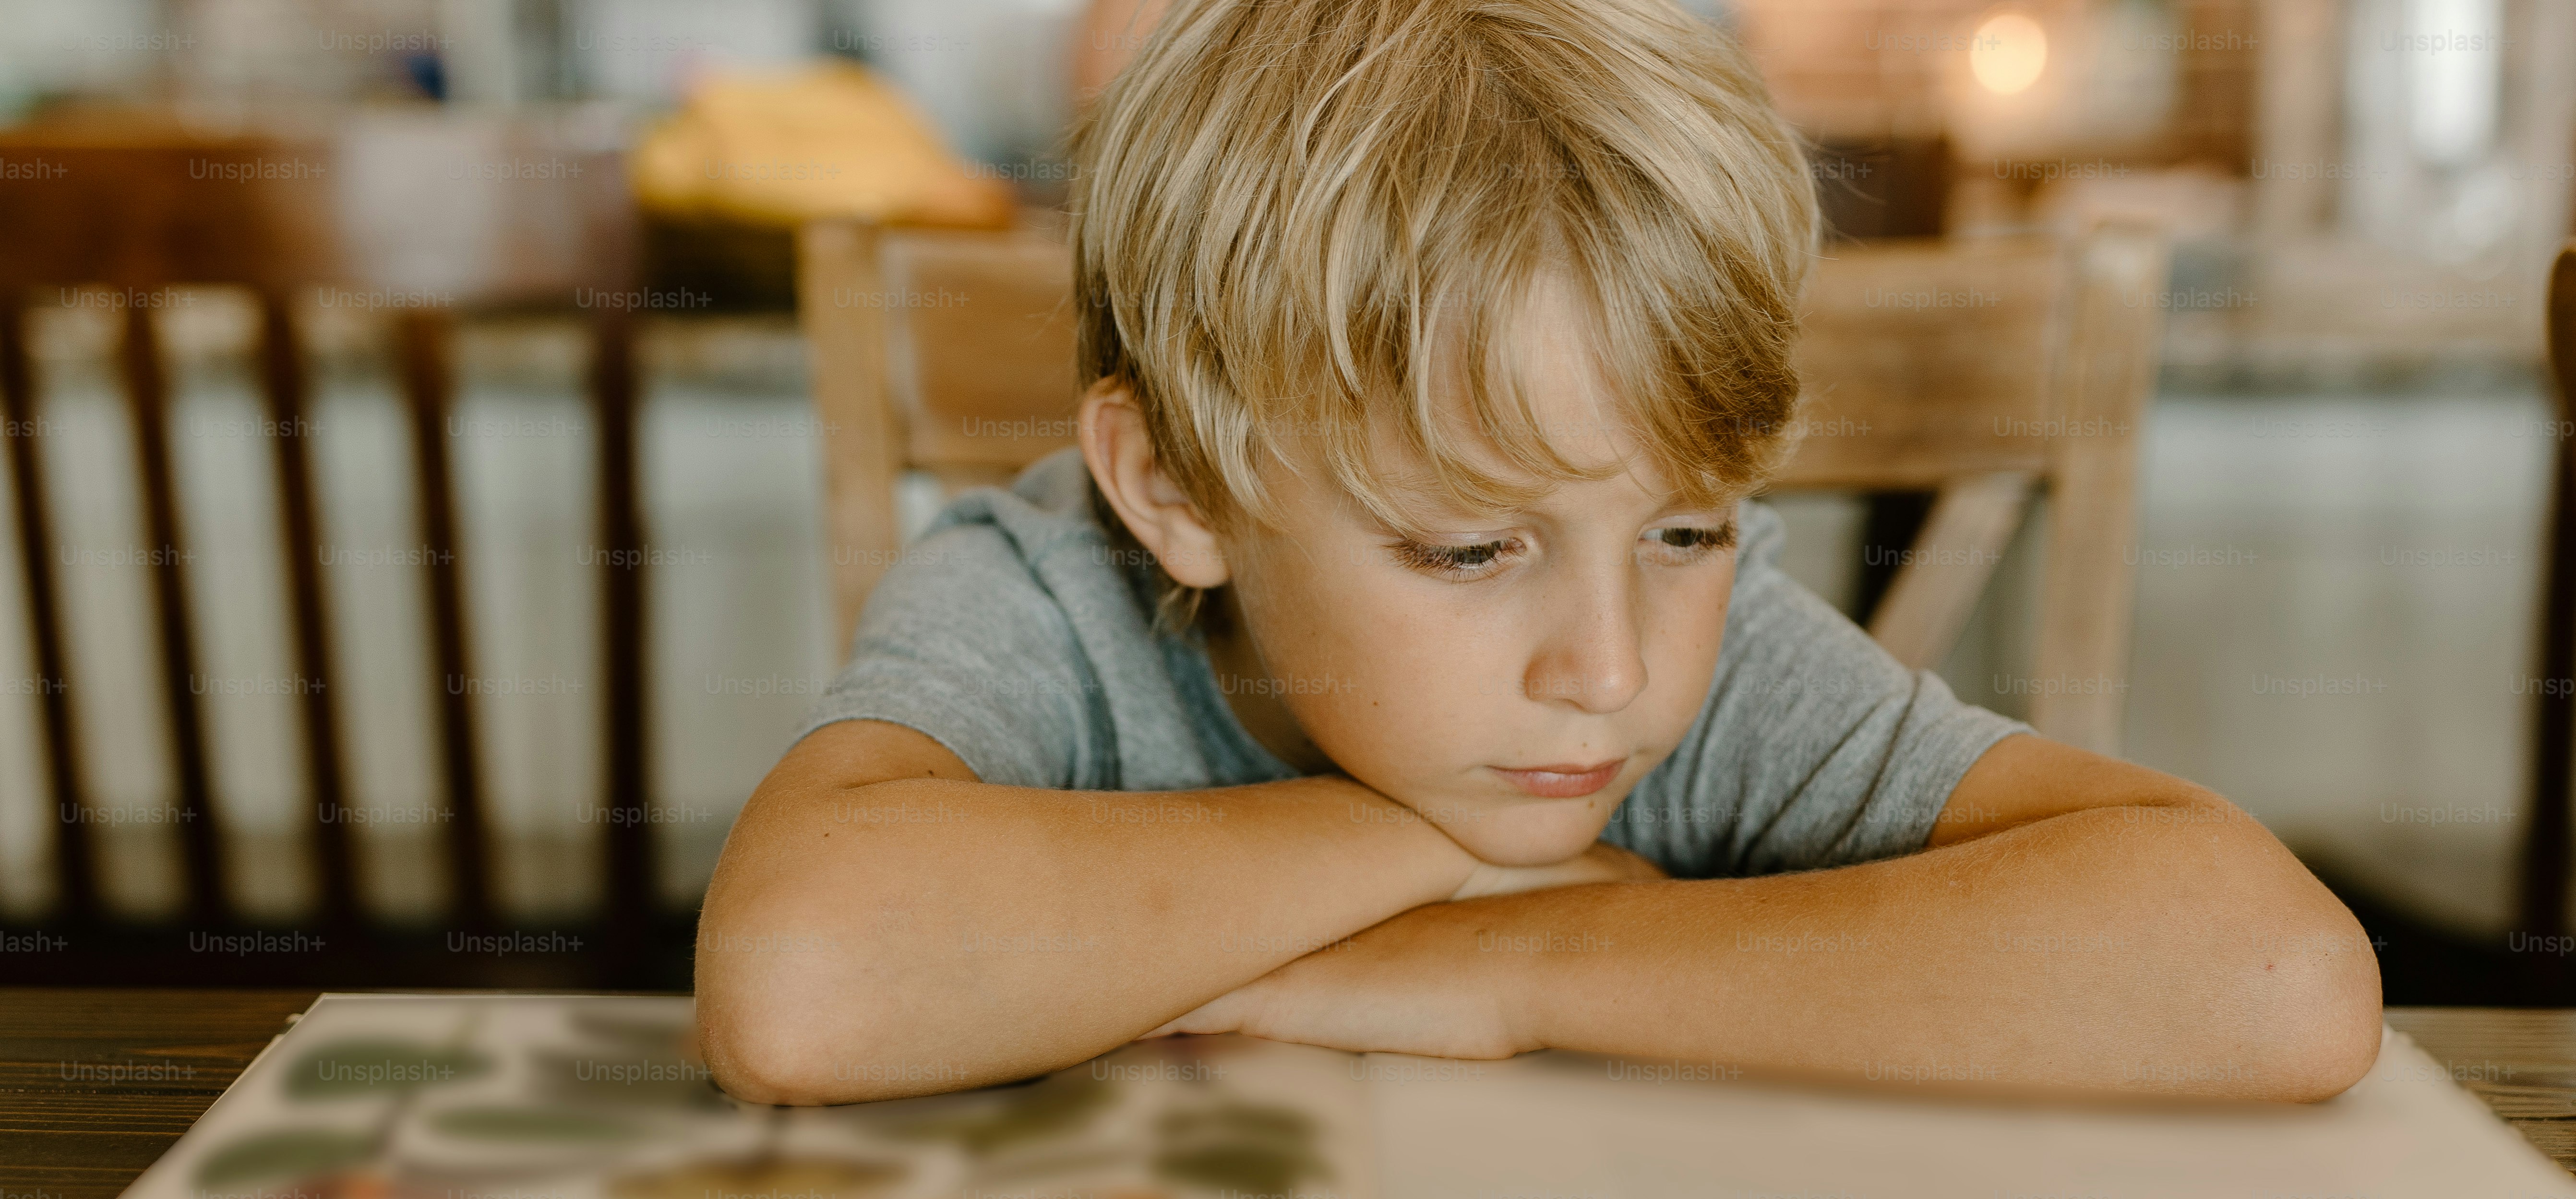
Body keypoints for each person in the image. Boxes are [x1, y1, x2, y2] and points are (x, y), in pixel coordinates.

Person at [696, 0, 2381, 1104]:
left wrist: (1511, 962)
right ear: (1174, 488)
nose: (1614, 667)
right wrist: (1429, 842)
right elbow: (801, 980)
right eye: (1468, 549)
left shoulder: (1710, 664)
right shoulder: (1045, 594)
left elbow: (2272, 976)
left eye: (1688, 528)